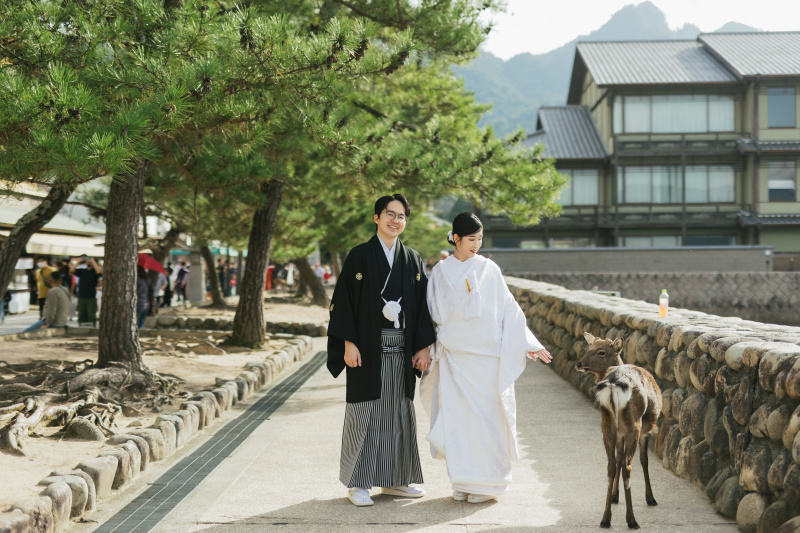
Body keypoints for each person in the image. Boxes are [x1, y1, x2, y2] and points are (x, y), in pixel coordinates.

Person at [420, 212, 553, 504]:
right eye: (471, 239)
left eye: (480, 238)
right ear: (456, 238)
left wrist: (529, 343)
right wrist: (427, 349)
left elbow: (509, 309)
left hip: (486, 360)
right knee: (458, 422)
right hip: (455, 360)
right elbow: (430, 314)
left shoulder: (489, 269)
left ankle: (488, 484)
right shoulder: (439, 273)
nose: (476, 244)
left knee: (487, 420)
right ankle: (463, 480)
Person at [327, 193, 437, 507]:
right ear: (377, 217)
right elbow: (343, 302)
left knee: (400, 414)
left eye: (401, 216)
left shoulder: (412, 259)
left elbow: (422, 307)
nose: (395, 220)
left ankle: (396, 481)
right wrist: (348, 343)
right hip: (365, 349)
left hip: (402, 351)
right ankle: (357, 482)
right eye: (390, 214)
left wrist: (423, 347)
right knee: (364, 413)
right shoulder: (359, 256)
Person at [72, 255, 102, 327]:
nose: (89, 261)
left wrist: (93, 261)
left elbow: (98, 272)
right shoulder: (82, 271)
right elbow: (71, 270)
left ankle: (92, 327)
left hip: (91, 296)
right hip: (81, 295)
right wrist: (78, 262)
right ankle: (81, 326)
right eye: (88, 260)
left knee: (91, 313)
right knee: (81, 313)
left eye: (90, 261)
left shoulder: (94, 272)